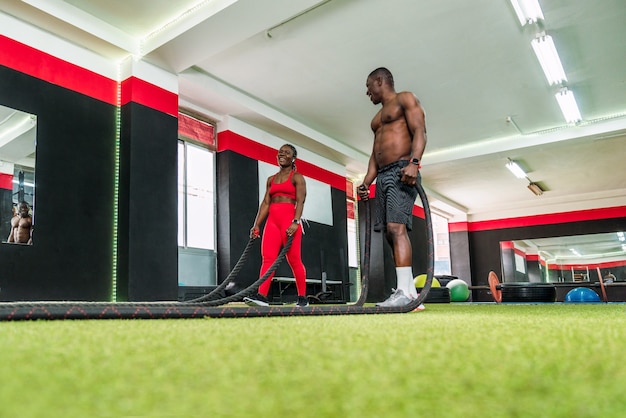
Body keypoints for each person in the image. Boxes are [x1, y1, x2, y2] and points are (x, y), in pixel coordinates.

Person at [357, 67, 427, 308]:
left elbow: (420, 131)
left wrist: (414, 163)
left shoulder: (405, 98)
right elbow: (375, 153)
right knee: (389, 232)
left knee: (397, 228)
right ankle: (408, 291)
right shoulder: (376, 120)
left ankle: (404, 294)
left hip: (402, 171)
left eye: (369, 87)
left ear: (379, 81)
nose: (368, 93)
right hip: (382, 176)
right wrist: (367, 181)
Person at [244, 144, 309, 307]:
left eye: (286, 152)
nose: (282, 154)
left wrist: (296, 221)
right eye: (280, 152)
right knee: (268, 258)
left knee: (294, 260)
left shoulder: (297, 177)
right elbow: (266, 202)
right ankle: (262, 296)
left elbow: (301, 201)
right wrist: (257, 224)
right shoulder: (271, 179)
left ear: (293, 158)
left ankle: (302, 298)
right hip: (272, 221)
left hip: (289, 220)